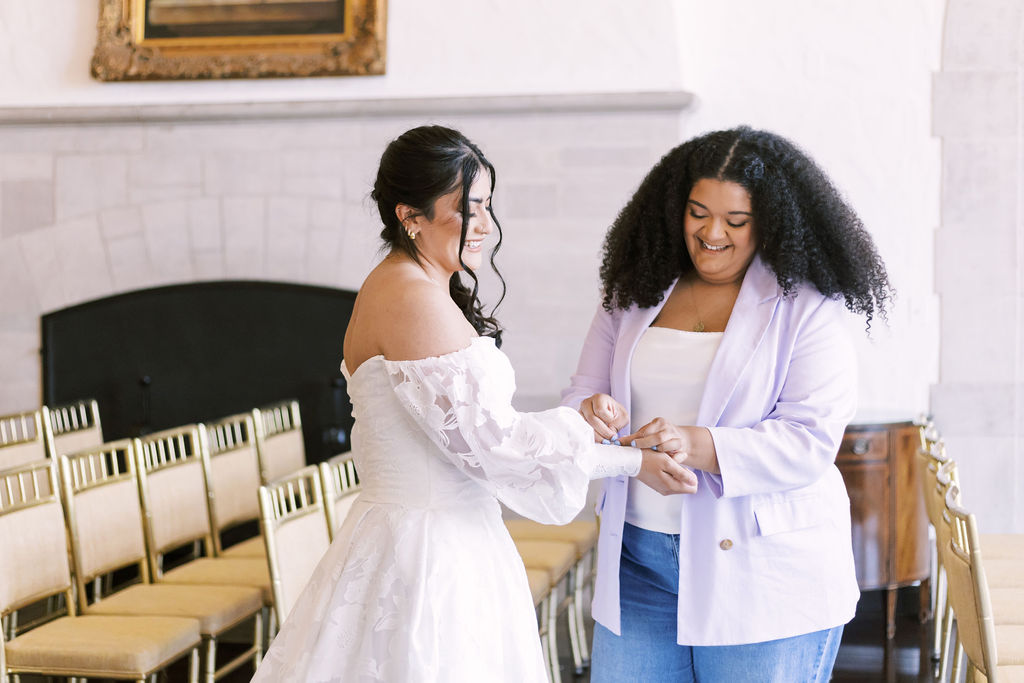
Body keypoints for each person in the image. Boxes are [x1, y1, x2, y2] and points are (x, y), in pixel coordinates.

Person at [251, 125, 697, 682]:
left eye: (488, 205)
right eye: (469, 207)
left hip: (427, 533)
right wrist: (631, 463)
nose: (486, 224)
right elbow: (496, 449)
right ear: (410, 215)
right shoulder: (411, 297)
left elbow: (465, 432)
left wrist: (579, 422)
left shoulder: (406, 284)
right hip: (429, 556)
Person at [561, 126, 893, 682]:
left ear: (770, 222)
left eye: (736, 221)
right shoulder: (635, 289)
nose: (712, 233)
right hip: (639, 564)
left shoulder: (805, 305)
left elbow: (809, 439)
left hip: (764, 573)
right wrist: (590, 412)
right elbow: (581, 393)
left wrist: (698, 444)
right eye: (698, 213)